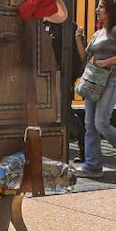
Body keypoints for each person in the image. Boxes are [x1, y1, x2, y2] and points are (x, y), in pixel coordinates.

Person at [74, 0, 116, 178]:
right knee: (90, 124)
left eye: (101, 7)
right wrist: (78, 39)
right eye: (97, 7)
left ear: (110, 11)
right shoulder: (97, 34)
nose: (97, 10)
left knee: (101, 123)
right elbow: (86, 57)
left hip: (112, 80)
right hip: (93, 82)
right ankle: (92, 166)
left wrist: (106, 62)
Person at [45, 20, 86, 160]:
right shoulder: (46, 24)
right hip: (46, 76)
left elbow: (80, 57)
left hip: (63, 76)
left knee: (65, 113)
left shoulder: (70, 27)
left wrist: (71, 78)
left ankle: (84, 147)